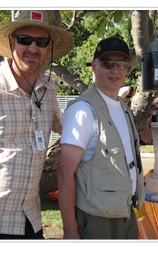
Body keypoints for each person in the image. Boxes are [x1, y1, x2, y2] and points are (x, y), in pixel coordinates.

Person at [0, 10, 74, 239]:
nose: (33, 48)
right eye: (24, 40)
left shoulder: (48, 89)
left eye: (41, 42)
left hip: (29, 221)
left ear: (49, 47)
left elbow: (63, 125)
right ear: (11, 41)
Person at [57, 37, 145, 239]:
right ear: (94, 66)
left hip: (125, 212)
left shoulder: (123, 108)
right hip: (97, 219)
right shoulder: (83, 110)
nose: (115, 71)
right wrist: (70, 231)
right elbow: (64, 174)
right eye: (108, 64)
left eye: (122, 65)